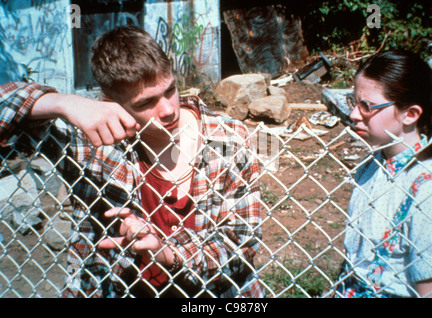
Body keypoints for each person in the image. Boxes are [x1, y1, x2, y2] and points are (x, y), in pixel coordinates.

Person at [0, 26, 263, 298]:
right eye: (146, 103)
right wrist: (63, 103)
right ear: (112, 104)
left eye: (170, 89)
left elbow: (240, 243)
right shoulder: (94, 144)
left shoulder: (228, 138)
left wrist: (167, 254)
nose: (169, 109)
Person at [335, 50, 432, 298]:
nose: (354, 114)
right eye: (353, 102)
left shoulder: (428, 191)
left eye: (367, 106)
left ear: (410, 114)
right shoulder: (373, 163)